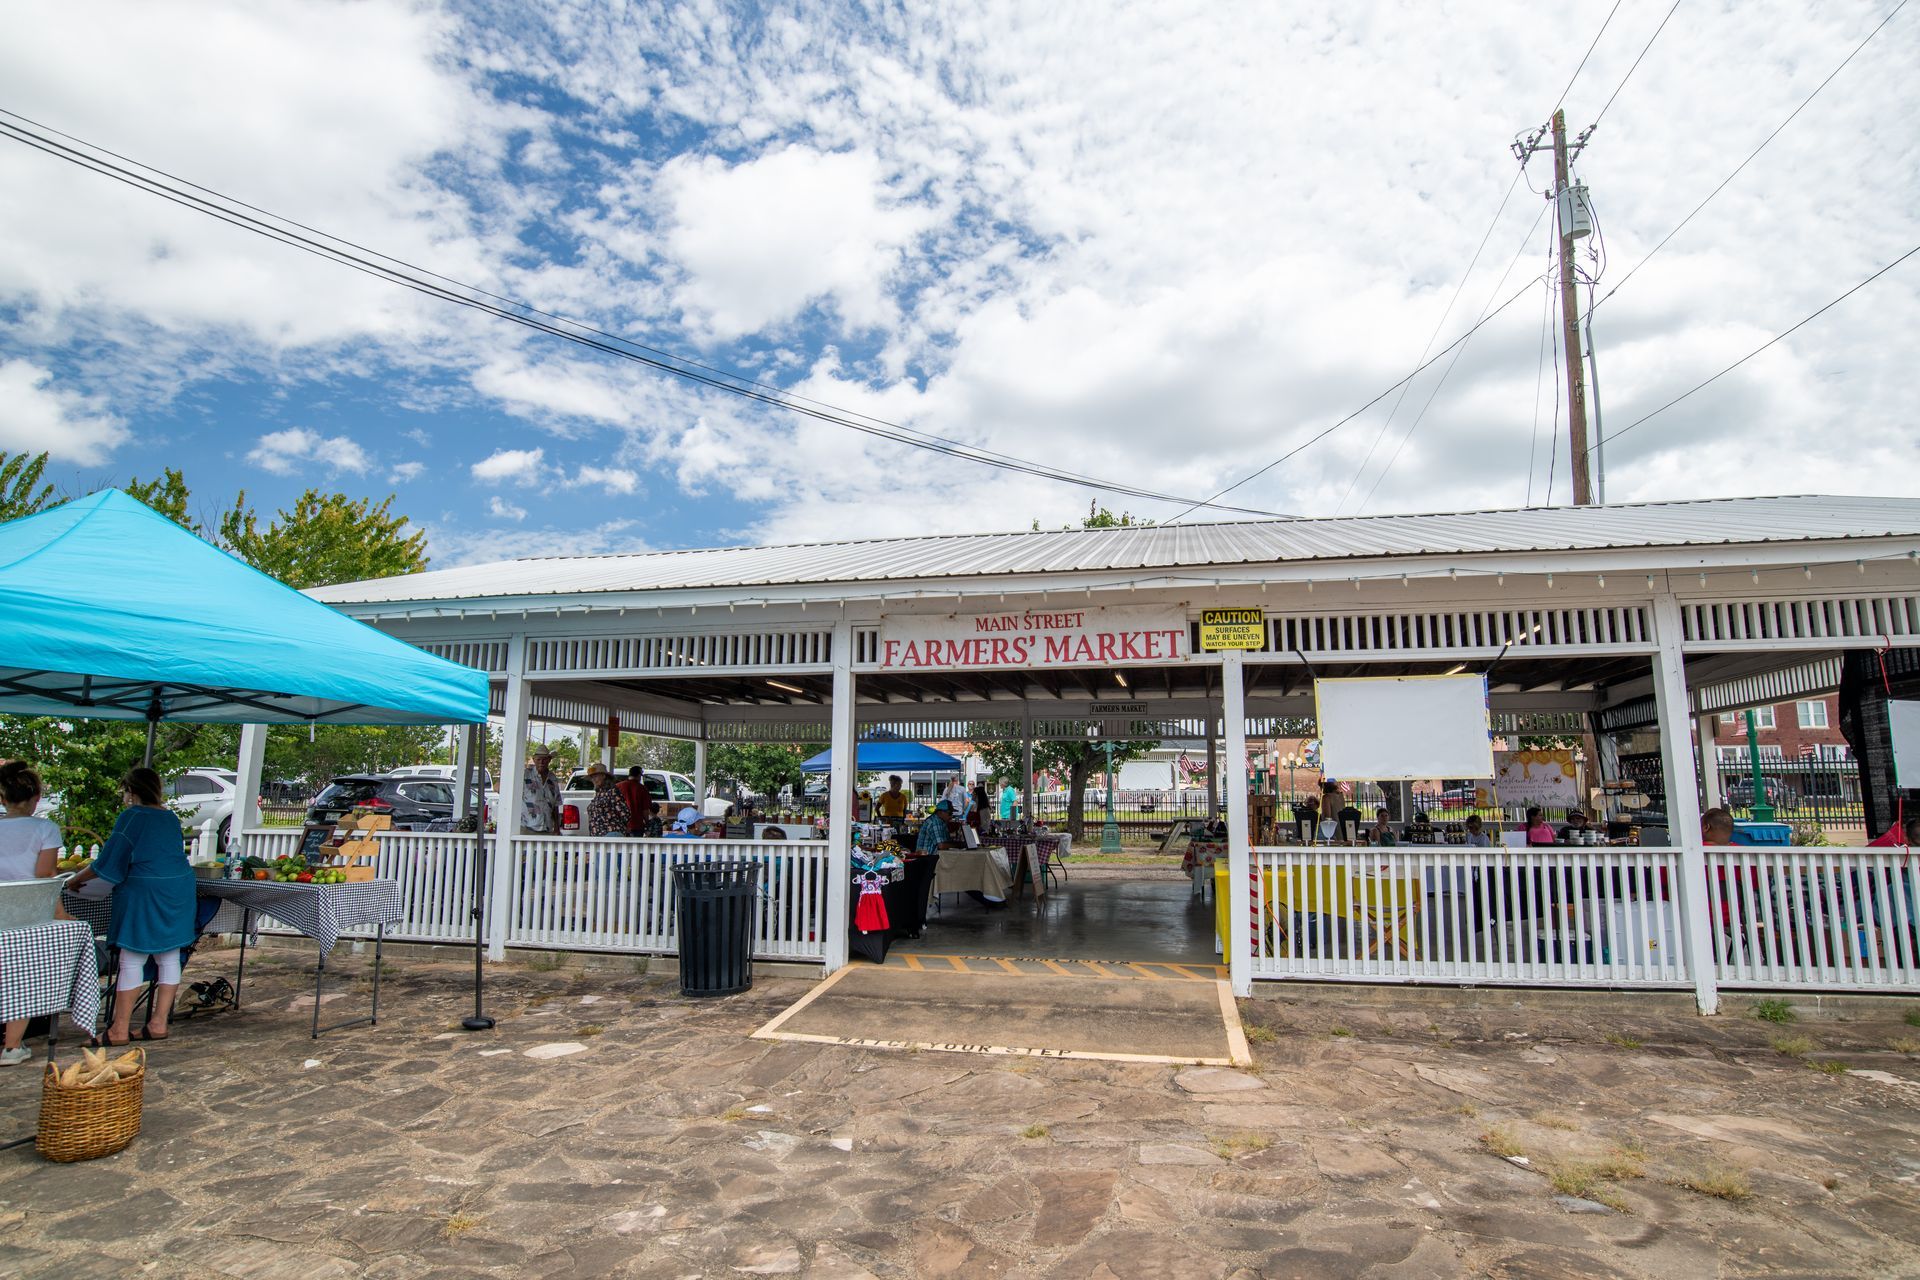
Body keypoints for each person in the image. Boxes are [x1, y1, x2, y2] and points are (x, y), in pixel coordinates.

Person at [66, 768, 195, 1045]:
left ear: (131, 791)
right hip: (178, 888)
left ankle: (118, 1029)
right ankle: (158, 1022)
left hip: (146, 890)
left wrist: (75, 880)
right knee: (169, 955)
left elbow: (110, 859)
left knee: (133, 957)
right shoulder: (169, 817)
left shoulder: (132, 816)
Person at [0, 761, 61, 1065]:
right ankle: (12, 1046)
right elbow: (45, 875)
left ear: (3, 798)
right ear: (36, 798)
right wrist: (62, 913)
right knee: (24, 976)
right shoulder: (45, 829)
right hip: (26, 915)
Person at [521, 749, 561, 833]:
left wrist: (557, 827)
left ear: (549, 760)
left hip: (547, 827)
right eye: (538, 759)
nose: (541, 762)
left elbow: (556, 805)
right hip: (528, 827)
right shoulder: (525, 775)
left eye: (544, 759)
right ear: (534, 759)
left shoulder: (553, 778)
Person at [584, 763, 629, 837]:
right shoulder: (599, 794)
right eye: (592, 777)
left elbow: (625, 814)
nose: (593, 779)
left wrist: (613, 822)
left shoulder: (612, 792)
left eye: (595, 776)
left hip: (611, 834)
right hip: (598, 836)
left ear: (603, 776)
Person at [617, 767, 655, 837]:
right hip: (636, 826)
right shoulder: (642, 789)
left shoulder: (618, 786)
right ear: (639, 775)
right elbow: (645, 810)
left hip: (620, 825)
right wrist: (647, 823)